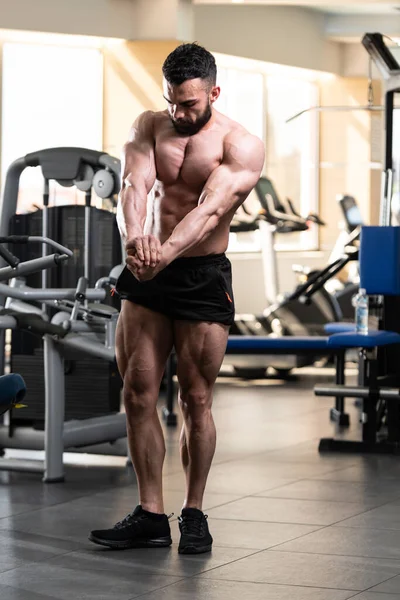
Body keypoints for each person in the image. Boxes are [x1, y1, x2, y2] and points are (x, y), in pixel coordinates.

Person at [89, 42, 265, 554]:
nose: (179, 112)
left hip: (200, 274)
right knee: (137, 392)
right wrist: (132, 239)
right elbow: (133, 186)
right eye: (172, 101)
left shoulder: (241, 144)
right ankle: (149, 513)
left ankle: (193, 512)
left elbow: (210, 211)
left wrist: (159, 254)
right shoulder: (149, 125)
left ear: (213, 92)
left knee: (196, 398)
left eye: (189, 103)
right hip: (149, 267)